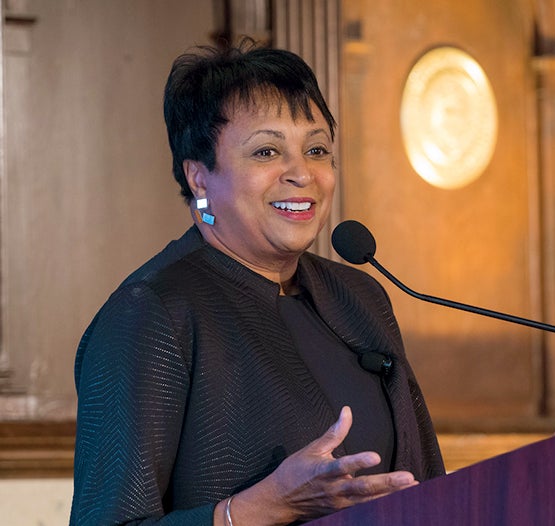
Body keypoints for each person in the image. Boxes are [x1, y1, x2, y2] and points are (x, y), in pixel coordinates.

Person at [70, 39, 445, 526]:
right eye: (267, 151)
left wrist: (536, 477)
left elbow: (431, 489)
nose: (302, 174)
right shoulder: (150, 314)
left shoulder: (361, 297)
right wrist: (258, 510)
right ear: (199, 178)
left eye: (317, 150)